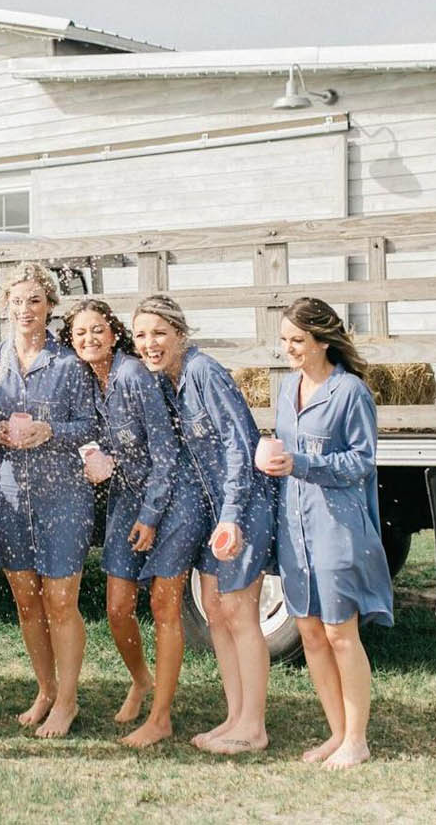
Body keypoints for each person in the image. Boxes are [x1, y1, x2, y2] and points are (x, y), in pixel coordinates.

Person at [132, 294, 276, 755]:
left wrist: (232, 516)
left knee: (239, 612)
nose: (149, 344)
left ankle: (254, 727)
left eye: (159, 333)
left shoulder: (202, 372)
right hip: (216, 511)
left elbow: (239, 445)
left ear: (180, 334)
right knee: (216, 611)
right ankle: (234, 717)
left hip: (242, 505)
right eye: (140, 336)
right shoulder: (170, 381)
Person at [64, 298, 203, 748]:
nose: (89, 339)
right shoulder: (90, 379)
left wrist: (150, 515)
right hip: (127, 498)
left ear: (113, 332)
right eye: (80, 333)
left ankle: (161, 717)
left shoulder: (134, 375)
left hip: (170, 501)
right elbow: (107, 440)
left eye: (97, 330)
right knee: (117, 608)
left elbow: (165, 452)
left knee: (164, 607)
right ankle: (142, 681)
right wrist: (94, 455)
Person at [260, 296, 392, 770]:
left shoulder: (351, 392)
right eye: (284, 341)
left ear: (322, 341)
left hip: (337, 525)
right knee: (311, 633)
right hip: (293, 525)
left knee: (340, 632)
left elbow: (361, 461)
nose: (289, 349)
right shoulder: (285, 389)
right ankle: (337, 735)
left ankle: (358, 739)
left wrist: (302, 463)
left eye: (298, 340)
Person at [0, 262, 98, 739]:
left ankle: (68, 701)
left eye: (35, 300)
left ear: (49, 306)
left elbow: (92, 427)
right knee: (26, 601)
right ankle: (46, 690)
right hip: (7, 493)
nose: (26, 309)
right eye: (17, 301)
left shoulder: (70, 363)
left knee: (60, 601)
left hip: (62, 496)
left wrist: (50, 431)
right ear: (5, 306)